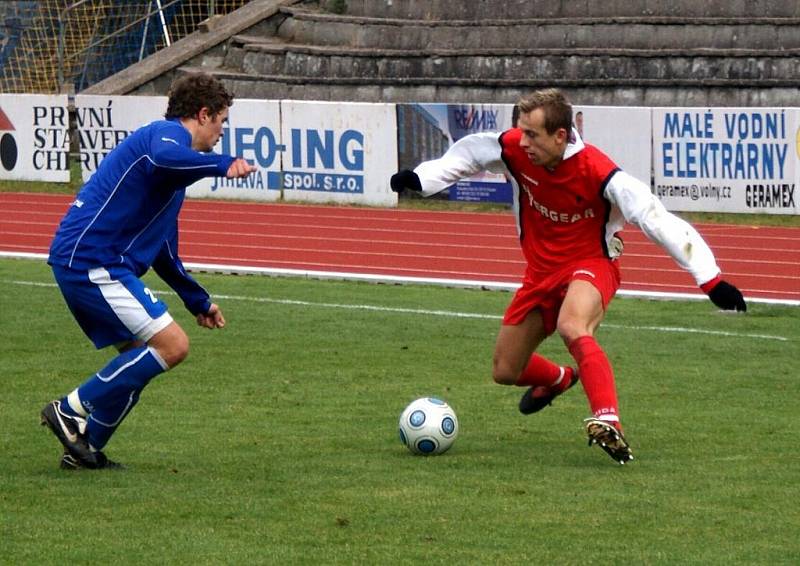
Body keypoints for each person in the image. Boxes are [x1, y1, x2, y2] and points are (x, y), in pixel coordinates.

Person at [390, 88, 746, 465]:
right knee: (505, 370)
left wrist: (710, 279)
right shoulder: (514, 148)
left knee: (573, 325)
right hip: (540, 273)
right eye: (521, 131)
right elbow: (469, 153)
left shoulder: (600, 172)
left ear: (560, 136)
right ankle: (560, 378)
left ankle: (608, 420)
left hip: (591, 264)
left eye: (532, 134)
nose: (521, 141)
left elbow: (657, 220)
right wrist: (421, 179)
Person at [42, 72, 257, 470]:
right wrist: (222, 165)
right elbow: (163, 156)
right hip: (92, 258)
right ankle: (71, 409)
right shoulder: (165, 137)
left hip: (88, 260)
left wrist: (198, 299)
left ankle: (85, 450)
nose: (223, 131)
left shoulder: (175, 176)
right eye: (222, 121)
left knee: (139, 360)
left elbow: (163, 250)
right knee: (173, 346)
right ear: (203, 114)